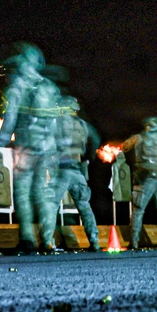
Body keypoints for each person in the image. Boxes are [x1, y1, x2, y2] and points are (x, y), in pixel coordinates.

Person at [0, 43, 63, 254]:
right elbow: (57, 121)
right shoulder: (50, 87)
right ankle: (47, 241)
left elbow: (10, 118)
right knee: (45, 195)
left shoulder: (16, 87)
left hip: (25, 149)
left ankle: (27, 240)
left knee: (23, 194)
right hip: (48, 149)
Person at [40, 95, 102, 252]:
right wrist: (86, 159)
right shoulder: (83, 125)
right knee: (85, 207)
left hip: (60, 170)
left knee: (51, 206)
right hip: (77, 170)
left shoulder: (55, 122)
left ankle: (47, 241)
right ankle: (94, 241)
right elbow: (94, 142)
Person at [121, 116, 157, 249]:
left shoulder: (139, 138)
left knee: (138, 211)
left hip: (145, 179)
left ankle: (134, 241)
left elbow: (124, 147)